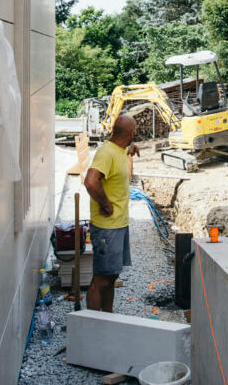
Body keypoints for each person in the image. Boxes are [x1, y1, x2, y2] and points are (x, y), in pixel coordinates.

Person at [82, 114, 140, 312]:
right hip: (107, 228)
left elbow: (119, 151)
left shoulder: (118, 149)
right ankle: (92, 325)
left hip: (118, 225)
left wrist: (130, 149)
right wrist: (105, 203)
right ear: (131, 134)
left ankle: (107, 319)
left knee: (111, 275)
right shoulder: (106, 153)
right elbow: (90, 181)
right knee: (101, 279)